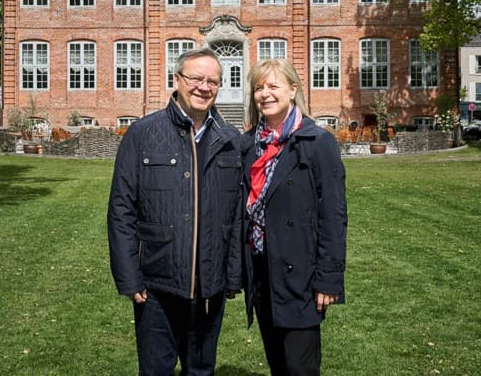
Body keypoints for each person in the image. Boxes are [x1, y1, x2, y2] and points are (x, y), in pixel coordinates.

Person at [108, 47, 243, 376]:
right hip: (157, 286)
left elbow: (237, 215)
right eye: (196, 78)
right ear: (177, 80)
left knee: (201, 371)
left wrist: (233, 275)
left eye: (213, 80)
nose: (204, 86)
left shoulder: (230, 139)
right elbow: (121, 209)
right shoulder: (143, 133)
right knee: (156, 371)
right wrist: (129, 277)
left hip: (209, 287)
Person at [241, 59, 347, 376]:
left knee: (299, 367)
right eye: (259, 88)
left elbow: (334, 216)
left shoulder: (317, 142)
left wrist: (328, 279)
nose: (265, 94)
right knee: (276, 362)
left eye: (273, 86)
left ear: (293, 90)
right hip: (261, 269)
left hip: (300, 272)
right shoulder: (248, 145)